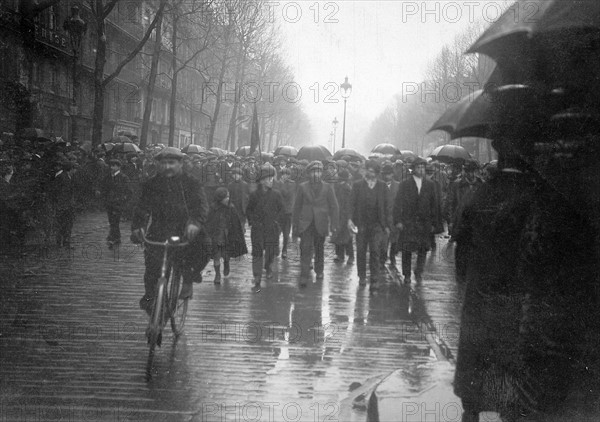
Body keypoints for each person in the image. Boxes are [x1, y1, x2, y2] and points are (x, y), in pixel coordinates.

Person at [131, 147, 209, 314]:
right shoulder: (151, 184)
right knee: (152, 270)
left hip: (185, 229)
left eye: (171, 163)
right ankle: (153, 306)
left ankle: (188, 278)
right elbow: (141, 208)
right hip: (159, 230)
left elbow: (200, 206)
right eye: (163, 163)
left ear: (180, 164)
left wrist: (194, 223)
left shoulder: (191, 183)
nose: (167, 167)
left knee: (203, 247)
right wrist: (139, 227)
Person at [293, 161, 339, 284]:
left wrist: (334, 224)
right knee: (305, 248)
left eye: (318, 172)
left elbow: (334, 206)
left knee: (319, 249)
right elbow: (296, 207)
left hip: (321, 222)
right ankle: (304, 274)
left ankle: (319, 270)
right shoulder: (302, 187)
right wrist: (295, 226)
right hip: (306, 223)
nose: (316, 174)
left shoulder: (328, 187)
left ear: (321, 173)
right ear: (309, 173)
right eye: (313, 172)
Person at [393, 157, 437, 284]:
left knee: (423, 249)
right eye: (418, 167)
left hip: (424, 222)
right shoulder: (405, 184)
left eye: (423, 167)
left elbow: (434, 205)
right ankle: (406, 274)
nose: (421, 170)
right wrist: (398, 221)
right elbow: (397, 204)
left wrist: (434, 223)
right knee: (407, 249)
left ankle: (419, 272)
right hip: (408, 222)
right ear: (413, 169)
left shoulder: (430, 185)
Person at [349, 160, 392, 290]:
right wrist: (350, 220)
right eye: (368, 170)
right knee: (361, 251)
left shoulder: (382, 186)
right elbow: (351, 204)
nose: (370, 173)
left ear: (377, 173)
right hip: (361, 223)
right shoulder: (357, 185)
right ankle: (362, 276)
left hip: (377, 224)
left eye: (373, 171)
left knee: (375, 251)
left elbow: (387, 206)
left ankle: (374, 278)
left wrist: (388, 225)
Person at [246, 164, 284, 287]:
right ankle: (257, 275)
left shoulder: (276, 194)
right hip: (258, 228)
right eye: (268, 179)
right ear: (262, 181)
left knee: (270, 251)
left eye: (272, 178)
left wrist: (276, 222)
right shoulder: (254, 195)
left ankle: (268, 268)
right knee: (257, 252)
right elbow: (249, 210)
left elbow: (281, 210)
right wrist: (252, 222)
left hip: (271, 228)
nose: (271, 181)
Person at [206, 187, 247, 284]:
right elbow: (208, 222)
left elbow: (236, 224)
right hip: (216, 236)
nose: (227, 199)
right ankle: (217, 275)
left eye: (228, 196)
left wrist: (238, 233)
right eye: (225, 197)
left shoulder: (231, 208)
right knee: (216, 257)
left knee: (226, 255)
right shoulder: (212, 208)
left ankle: (227, 264)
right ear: (219, 198)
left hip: (227, 237)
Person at [100, 159, 132, 249]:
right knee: (111, 220)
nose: (112, 168)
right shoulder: (107, 177)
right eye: (111, 166)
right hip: (109, 203)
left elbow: (129, 191)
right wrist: (105, 198)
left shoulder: (123, 177)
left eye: (114, 166)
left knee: (115, 220)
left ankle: (113, 237)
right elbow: (104, 188)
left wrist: (123, 200)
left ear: (118, 167)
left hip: (118, 203)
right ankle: (117, 237)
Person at [50, 161, 78, 249]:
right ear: (71, 169)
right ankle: (59, 243)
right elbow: (55, 191)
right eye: (75, 169)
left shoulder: (70, 177)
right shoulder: (62, 177)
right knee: (61, 224)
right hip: (62, 205)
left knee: (68, 224)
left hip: (68, 205)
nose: (75, 171)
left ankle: (66, 243)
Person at [331, 169, 354, 265]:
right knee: (337, 234)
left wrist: (349, 217)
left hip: (345, 215)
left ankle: (350, 255)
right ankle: (339, 254)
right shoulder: (337, 186)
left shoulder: (347, 188)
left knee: (347, 236)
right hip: (337, 214)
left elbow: (349, 204)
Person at [380, 163, 400, 269]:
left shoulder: (398, 185)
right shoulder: (379, 186)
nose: (387, 176)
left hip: (395, 218)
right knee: (383, 242)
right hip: (383, 218)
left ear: (392, 174)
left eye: (389, 174)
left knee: (394, 241)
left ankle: (392, 257)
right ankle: (382, 259)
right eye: (385, 174)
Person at [273, 167, 296, 259]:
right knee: (276, 232)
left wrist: (281, 184)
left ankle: (284, 250)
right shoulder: (276, 183)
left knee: (286, 234)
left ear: (289, 175)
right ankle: (276, 247)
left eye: (286, 174)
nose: (284, 176)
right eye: (282, 174)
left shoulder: (292, 184)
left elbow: (286, 194)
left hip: (287, 212)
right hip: (278, 212)